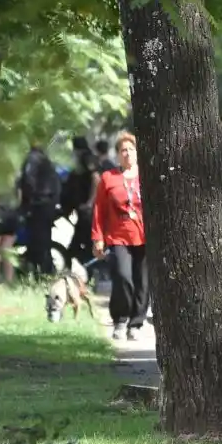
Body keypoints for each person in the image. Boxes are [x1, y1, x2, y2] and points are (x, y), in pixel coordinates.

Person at [91, 132, 149, 340]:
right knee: (123, 277)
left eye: (131, 149)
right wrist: (97, 238)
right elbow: (99, 210)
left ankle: (136, 323)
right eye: (123, 150)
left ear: (137, 152)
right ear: (117, 154)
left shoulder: (147, 176)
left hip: (143, 235)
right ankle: (120, 319)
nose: (128, 153)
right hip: (118, 236)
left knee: (142, 281)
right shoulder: (109, 178)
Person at [18, 142, 62, 278]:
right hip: (48, 206)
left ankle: (38, 270)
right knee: (44, 240)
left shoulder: (31, 159)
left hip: (37, 205)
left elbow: (27, 182)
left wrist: (26, 205)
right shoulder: (47, 161)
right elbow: (57, 185)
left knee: (36, 240)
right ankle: (45, 269)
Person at [64, 136, 101, 270]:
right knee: (83, 242)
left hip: (89, 211)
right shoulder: (84, 159)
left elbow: (96, 179)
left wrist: (90, 202)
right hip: (84, 210)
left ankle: (91, 269)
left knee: (80, 243)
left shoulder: (87, 158)